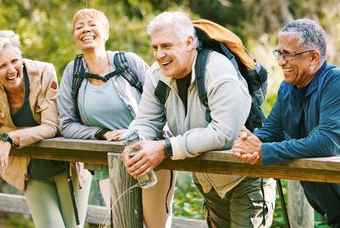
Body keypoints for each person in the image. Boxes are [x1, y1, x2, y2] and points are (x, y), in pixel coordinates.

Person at [122, 11, 276, 227]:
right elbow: (146, 120)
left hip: (246, 177)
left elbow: (224, 134)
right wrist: (136, 142)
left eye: (166, 46)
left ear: (189, 42)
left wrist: (165, 148)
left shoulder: (218, 70)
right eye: (155, 47)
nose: (159, 55)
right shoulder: (156, 75)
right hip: (209, 181)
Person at [57, 8, 175, 227]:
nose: (85, 30)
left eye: (92, 24)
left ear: (106, 33)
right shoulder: (72, 72)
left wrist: (135, 132)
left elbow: (163, 99)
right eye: (79, 26)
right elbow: (65, 123)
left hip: (150, 157)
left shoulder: (128, 63)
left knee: (156, 226)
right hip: (109, 165)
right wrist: (101, 133)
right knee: (123, 224)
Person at [232, 19, 340, 227]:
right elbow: (273, 129)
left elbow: (327, 141)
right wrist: (249, 141)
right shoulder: (287, 87)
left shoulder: (335, 82)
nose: (281, 62)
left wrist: (265, 150)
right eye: (279, 53)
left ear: (314, 57)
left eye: (288, 54)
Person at [0, 30, 91, 228]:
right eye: (2, 66)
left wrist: (8, 137)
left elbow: (51, 126)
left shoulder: (43, 72)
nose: (11, 70)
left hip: (66, 167)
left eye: (14, 60)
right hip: (30, 172)